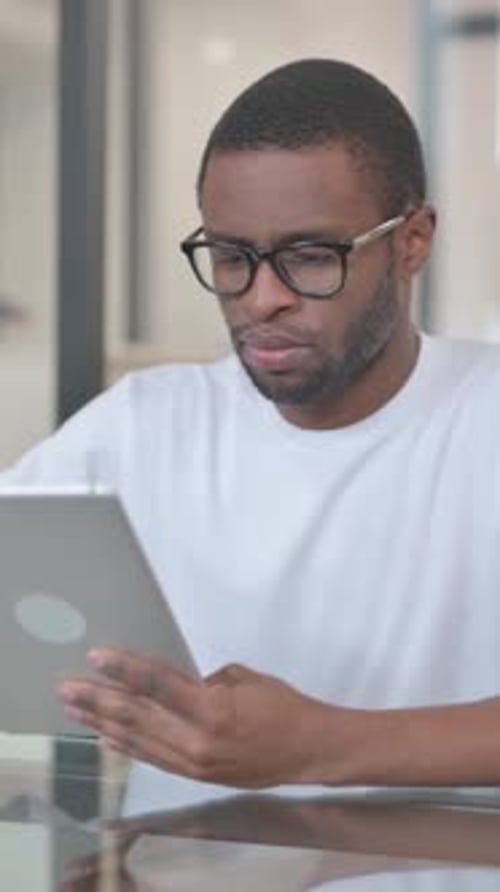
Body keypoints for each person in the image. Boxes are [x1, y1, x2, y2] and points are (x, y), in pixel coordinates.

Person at [2, 58, 500, 817]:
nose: (261, 300)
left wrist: (320, 744)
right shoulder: (145, 424)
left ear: (412, 242)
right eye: (232, 259)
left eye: (309, 257)